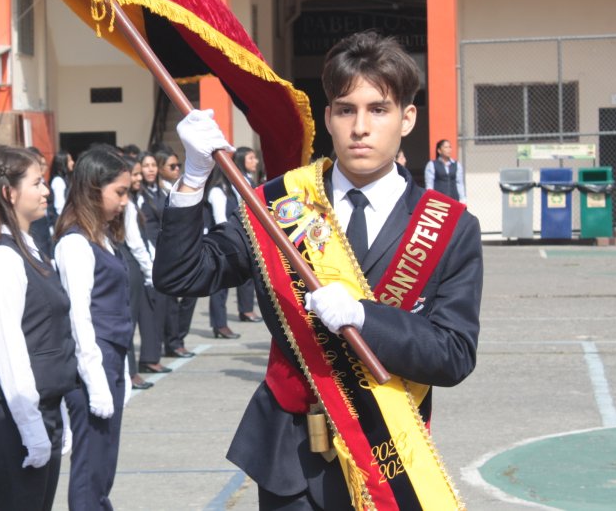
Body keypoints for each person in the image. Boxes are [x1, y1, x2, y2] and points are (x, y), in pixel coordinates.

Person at [154, 32, 483, 509]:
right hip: (289, 460)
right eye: (346, 109)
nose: (360, 127)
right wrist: (193, 176)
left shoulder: (449, 227)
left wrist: (364, 317)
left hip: (386, 454)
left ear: (408, 118)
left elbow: (452, 355)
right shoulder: (279, 205)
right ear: (328, 117)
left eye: (379, 109)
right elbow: (180, 275)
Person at [0, 146, 76, 511]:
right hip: (10, 418)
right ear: (7, 193)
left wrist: (56, 415)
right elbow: (10, 351)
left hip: (39, 410)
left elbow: (49, 338)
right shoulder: (1, 259)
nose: (46, 191)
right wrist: (32, 429)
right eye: (37, 182)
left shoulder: (30, 249)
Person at [54, 146, 134, 511]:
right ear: (91, 189)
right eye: (119, 192)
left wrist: (123, 369)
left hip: (111, 358)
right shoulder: (75, 242)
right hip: (93, 362)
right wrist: (96, 378)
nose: (125, 201)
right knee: (91, 469)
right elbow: (78, 316)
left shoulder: (102, 237)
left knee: (104, 466)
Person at [155, 148, 196, 360]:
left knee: (190, 296)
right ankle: (173, 342)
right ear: (161, 169)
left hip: (182, 249)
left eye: (178, 165)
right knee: (170, 302)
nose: (177, 169)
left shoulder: (178, 187)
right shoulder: (155, 191)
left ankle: (179, 337)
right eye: (172, 166)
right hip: (164, 252)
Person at [121, 156, 157, 390]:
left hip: (137, 262)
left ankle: (132, 370)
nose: (138, 178)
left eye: (137, 174)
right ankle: (130, 372)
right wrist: (149, 270)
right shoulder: (127, 204)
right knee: (129, 321)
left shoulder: (135, 199)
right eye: (133, 174)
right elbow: (134, 241)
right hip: (131, 263)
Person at [134, 151, 170, 374]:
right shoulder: (138, 196)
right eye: (145, 166)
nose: (149, 170)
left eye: (152, 165)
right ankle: (148, 357)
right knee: (149, 311)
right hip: (146, 256)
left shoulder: (162, 190)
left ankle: (154, 354)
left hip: (161, 256)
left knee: (161, 310)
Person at [203, 167, 241, 340]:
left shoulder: (229, 190)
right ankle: (219, 324)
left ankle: (221, 324)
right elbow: (220, 219)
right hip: (220, 242)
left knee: (224, 287)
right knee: (219, 287)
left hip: (227, 240)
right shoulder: (217, 192)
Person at [230, 147, 263, 324]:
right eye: (251, 158)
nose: (255, 162)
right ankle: (245, 309)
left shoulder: (249, 179)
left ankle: (248, 308)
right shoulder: (239, 181)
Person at [48, 150, 73, 228]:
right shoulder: (58, 181)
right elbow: (59, 206)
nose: (72, 163)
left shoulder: (67, 180)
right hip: (62, 224)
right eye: (69, 161)